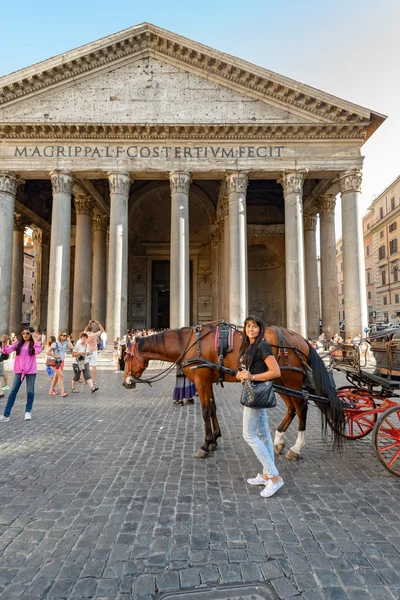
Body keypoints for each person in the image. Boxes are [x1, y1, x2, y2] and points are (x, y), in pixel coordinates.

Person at [236, 316, 283, 498]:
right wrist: (241, 374)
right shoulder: (249, 347)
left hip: (256, 393)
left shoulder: (263, 345)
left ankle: (275, 477)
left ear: (260, 329)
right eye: (248, 327)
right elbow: (248, 369)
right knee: (263, 434)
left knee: (249, 434)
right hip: (254, 392)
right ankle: (266, 475)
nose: (251, 330)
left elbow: (275, 372)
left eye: (254, 327)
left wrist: (252, 377)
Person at [0, 328, 42, 422]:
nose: (25, 335)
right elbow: (6, 351)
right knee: (12, 392)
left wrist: (35, 340)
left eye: (27, 333)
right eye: (23, 333)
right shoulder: (18, 343)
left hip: (31, 371)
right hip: (19, 371)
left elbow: (38, 351)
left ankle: (28, 411)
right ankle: (6, 415)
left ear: (31, 334)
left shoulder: (35, 343)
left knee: (30, 391)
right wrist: (3, 342)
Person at [48, 332, 73, 397]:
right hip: (55, 362)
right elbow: (48, 352)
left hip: (61, 361)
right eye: (64, 335)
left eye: (66, 335)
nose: (65, 337)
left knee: (57, 376)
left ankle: (51, 390)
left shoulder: (66, 343)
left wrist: (69, 340)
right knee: (61, 376)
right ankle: (62, 391)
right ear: (60, 336)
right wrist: (55, 356)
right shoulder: (55, 343)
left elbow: (72, 347)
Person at [84, 320, 104, 384]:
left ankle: (85, 380)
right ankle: (93, 380)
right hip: (94, 352)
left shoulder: (86, 334)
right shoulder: (95, 335)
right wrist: (98, 323)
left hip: (87, 351)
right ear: (92, 329)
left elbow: (85, 330)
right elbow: (102, 330)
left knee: (85, 366)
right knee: (94, 367)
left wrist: (88, 324)